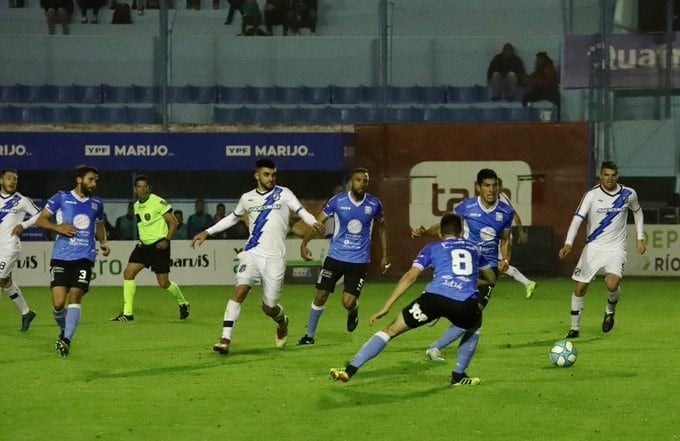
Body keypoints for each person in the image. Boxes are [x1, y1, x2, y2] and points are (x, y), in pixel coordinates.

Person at [329, 213, 496, 385]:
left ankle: (351, 369)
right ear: (461, 232)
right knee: (475, 325)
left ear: (440, 234)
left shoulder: (432, 248)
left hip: (433, 299)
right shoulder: (475, 249)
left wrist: (387, 306)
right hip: (464, 304)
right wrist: (468, 279)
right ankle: (459, 376)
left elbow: (410, 277)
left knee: (390, 330)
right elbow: (491, 279)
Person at [191, 158, 323, 355]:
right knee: (240, 291)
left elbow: (301, 210)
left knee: (269, 307)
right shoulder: (247, 198)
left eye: (273, 175)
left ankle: (281, 321)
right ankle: (225, 339)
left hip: (275, 258)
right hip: (252, 253)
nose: (271, 178)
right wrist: (207, 232)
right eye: (266, 174)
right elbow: (233, 217)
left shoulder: (284, 193)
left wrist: (313, 222)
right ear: (257, 175)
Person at [411, 168, 513, 362]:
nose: (491, 190)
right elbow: (445, 225)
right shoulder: (466, 207)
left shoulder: (506, 212)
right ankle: (434, 304)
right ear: (478, 188)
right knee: (459, 304)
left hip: (488, 267)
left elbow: (506, 239)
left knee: (475, 311)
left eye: (494, 185)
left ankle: (435, 347)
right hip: (466, 263)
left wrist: (505, 258)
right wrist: (425, 232)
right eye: (487, 186)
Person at [297, 168, 390, 345]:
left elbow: (382, 227)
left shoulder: (374, 204)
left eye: (365, 180)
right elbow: (317, 223)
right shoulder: (337, 201)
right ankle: (309, 336)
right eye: (358, 180)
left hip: (359, 260)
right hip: (335, 257)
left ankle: (352, 310)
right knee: (321, 295)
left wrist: (385, 254)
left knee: (347, 302)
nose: (361, 183)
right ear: (350, 182)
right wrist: (304, 244)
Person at [559, 161, 645, 338]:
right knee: (581, 287)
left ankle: (610, 311)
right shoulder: (591, 195)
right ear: (601, 176)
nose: (610, 178)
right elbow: (577, 219)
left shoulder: (628, 194)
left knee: (612, 284)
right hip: (594, 247)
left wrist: (640, 238)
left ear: (617, 176)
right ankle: (574, 328)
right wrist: (568, 243)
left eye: (613, 175)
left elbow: (637, 212)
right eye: (606, 175)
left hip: (616, 248)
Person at [35, 165, 110, 357]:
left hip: (85, 256)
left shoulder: (97, 203)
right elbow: (41, 220)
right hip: (61, 256)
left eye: (96, 180)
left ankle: (67, 339)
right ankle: (64, 330)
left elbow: (100, 225)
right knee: (59, 304)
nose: (94, 183)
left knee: (75, 295)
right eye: (91, 179)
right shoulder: (61, 197)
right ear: (79, 179)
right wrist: (57, 228)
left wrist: (103, 242)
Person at [111, 175, 190, 322]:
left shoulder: (158, 202)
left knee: (163, 283)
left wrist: (167, 240)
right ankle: (128, 313)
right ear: (135, 189)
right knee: (128, 273)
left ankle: (183, 302)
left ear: (149, 188)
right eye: (139, 187)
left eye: (145, 186)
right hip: (143, 246)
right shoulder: (136, 206)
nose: (143, 189)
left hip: (159, 246)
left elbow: (173, 222)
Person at [0, 169, 40, 332]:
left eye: (15, 179)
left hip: (10, 246)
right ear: (1, 180)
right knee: (6, 282)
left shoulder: (22, 201)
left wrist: (24, 225)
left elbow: (40, 214)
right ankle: (26, 312)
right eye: (9, 178)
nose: (13, 181)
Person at [497, 177, 536, 299]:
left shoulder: (501, 200)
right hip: (497, 236)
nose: (493, 189)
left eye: (496, 186)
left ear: (500, 187)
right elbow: (515, 215)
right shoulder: (501, 197)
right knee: (495, 265)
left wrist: (521, 232)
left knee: (500, 265)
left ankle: (528, 283)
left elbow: (514, 215)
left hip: (500, 237)